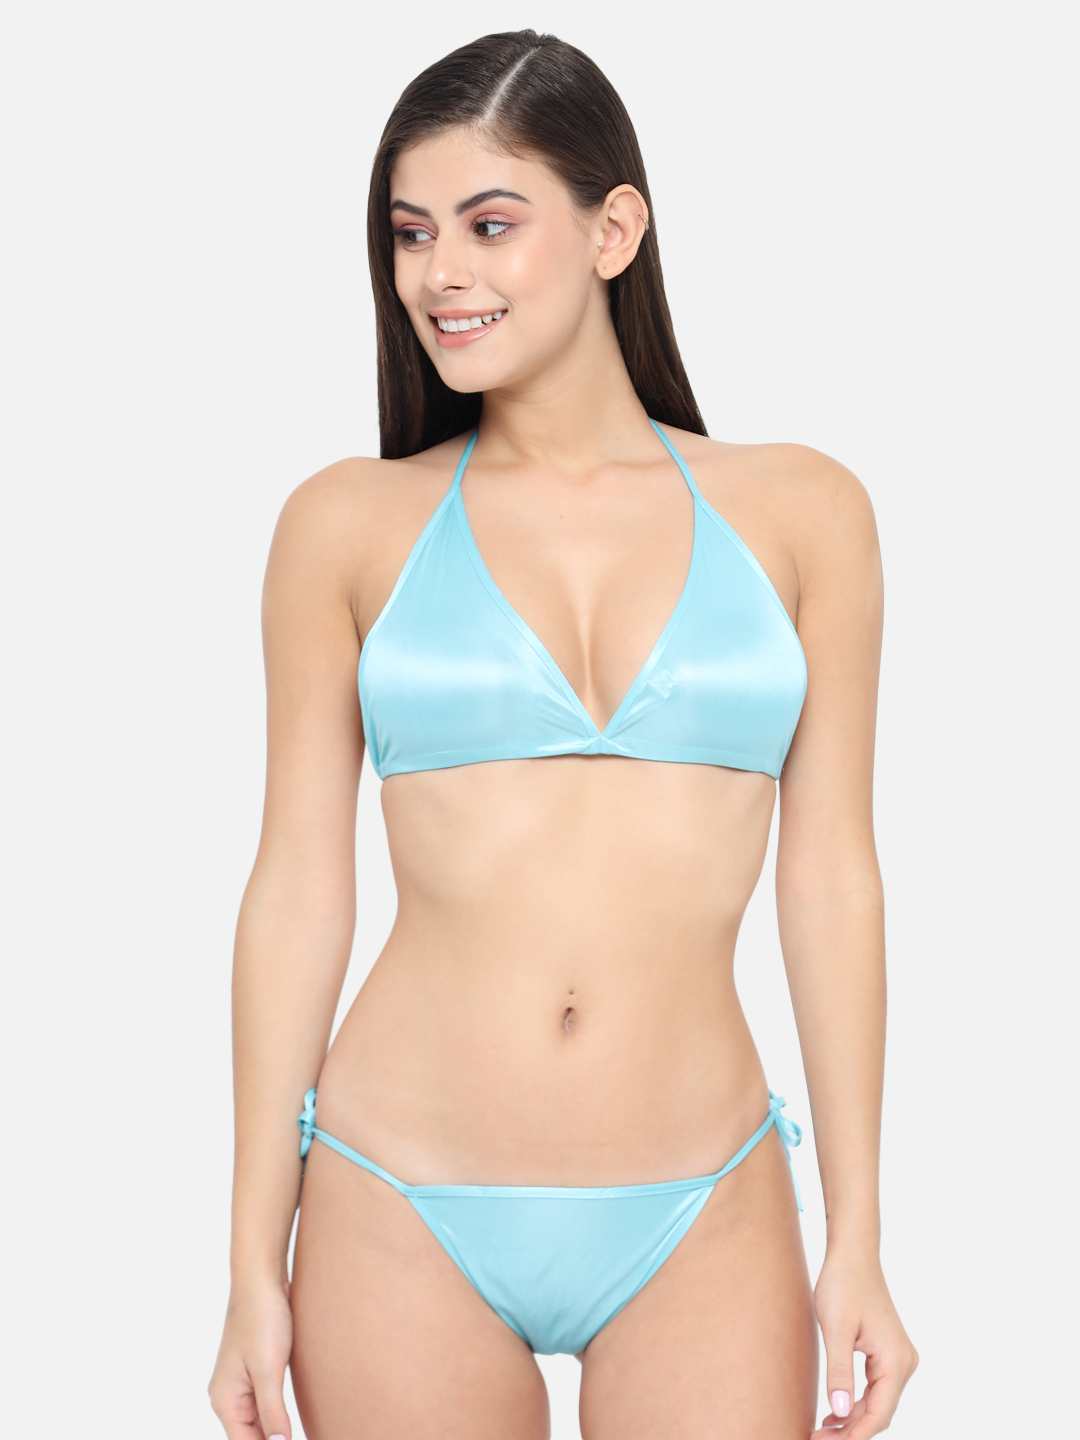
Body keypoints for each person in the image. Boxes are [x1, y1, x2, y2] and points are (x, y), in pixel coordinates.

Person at [209, 27, 918, 1440]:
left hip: (704, 1197)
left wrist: (859, 1234)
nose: (439, 274)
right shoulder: (345, 525)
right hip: (397, 1192)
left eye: (489, 225)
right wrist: (247, 1257)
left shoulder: (805, 514)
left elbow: (832, 876)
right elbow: (296, 886)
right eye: (411, 233)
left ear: (614, 231)